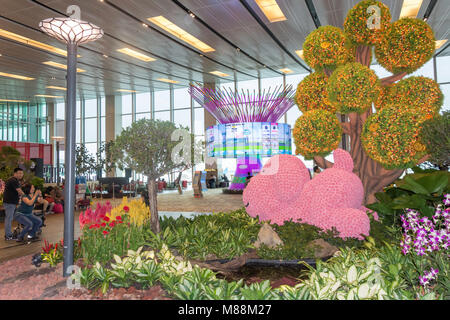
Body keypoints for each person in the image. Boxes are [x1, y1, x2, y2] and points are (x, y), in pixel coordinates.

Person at [3, 168, 25, 241]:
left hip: (12, 202)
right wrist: (26, 197)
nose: (20, 175)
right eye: (19, 173)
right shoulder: (13, 180)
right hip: (9, 203)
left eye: (22, 173)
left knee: (14, 217)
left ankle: (11, 233)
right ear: (15, 173)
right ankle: (8, 235)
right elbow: (19, 191)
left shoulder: (15, 180)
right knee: (9, 219)